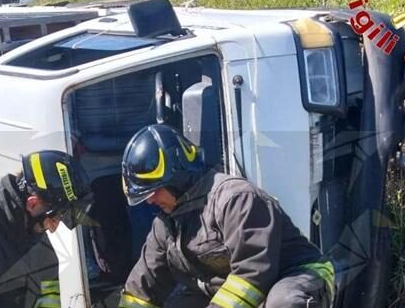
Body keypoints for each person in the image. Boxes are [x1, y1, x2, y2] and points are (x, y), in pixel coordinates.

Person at [118, 124, 336, 308]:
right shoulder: (165, 224)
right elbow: (141, 288)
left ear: (177, 177)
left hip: (296, 275)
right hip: (232, 288)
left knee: (283, 302)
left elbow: (252, 277)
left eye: (153, 191)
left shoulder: (236, 199)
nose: (149, 201)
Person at [0, 150, 97, 308]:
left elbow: (48, 295)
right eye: (55, 218)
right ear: (32, 204)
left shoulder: (32, 234)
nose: (53, 228)